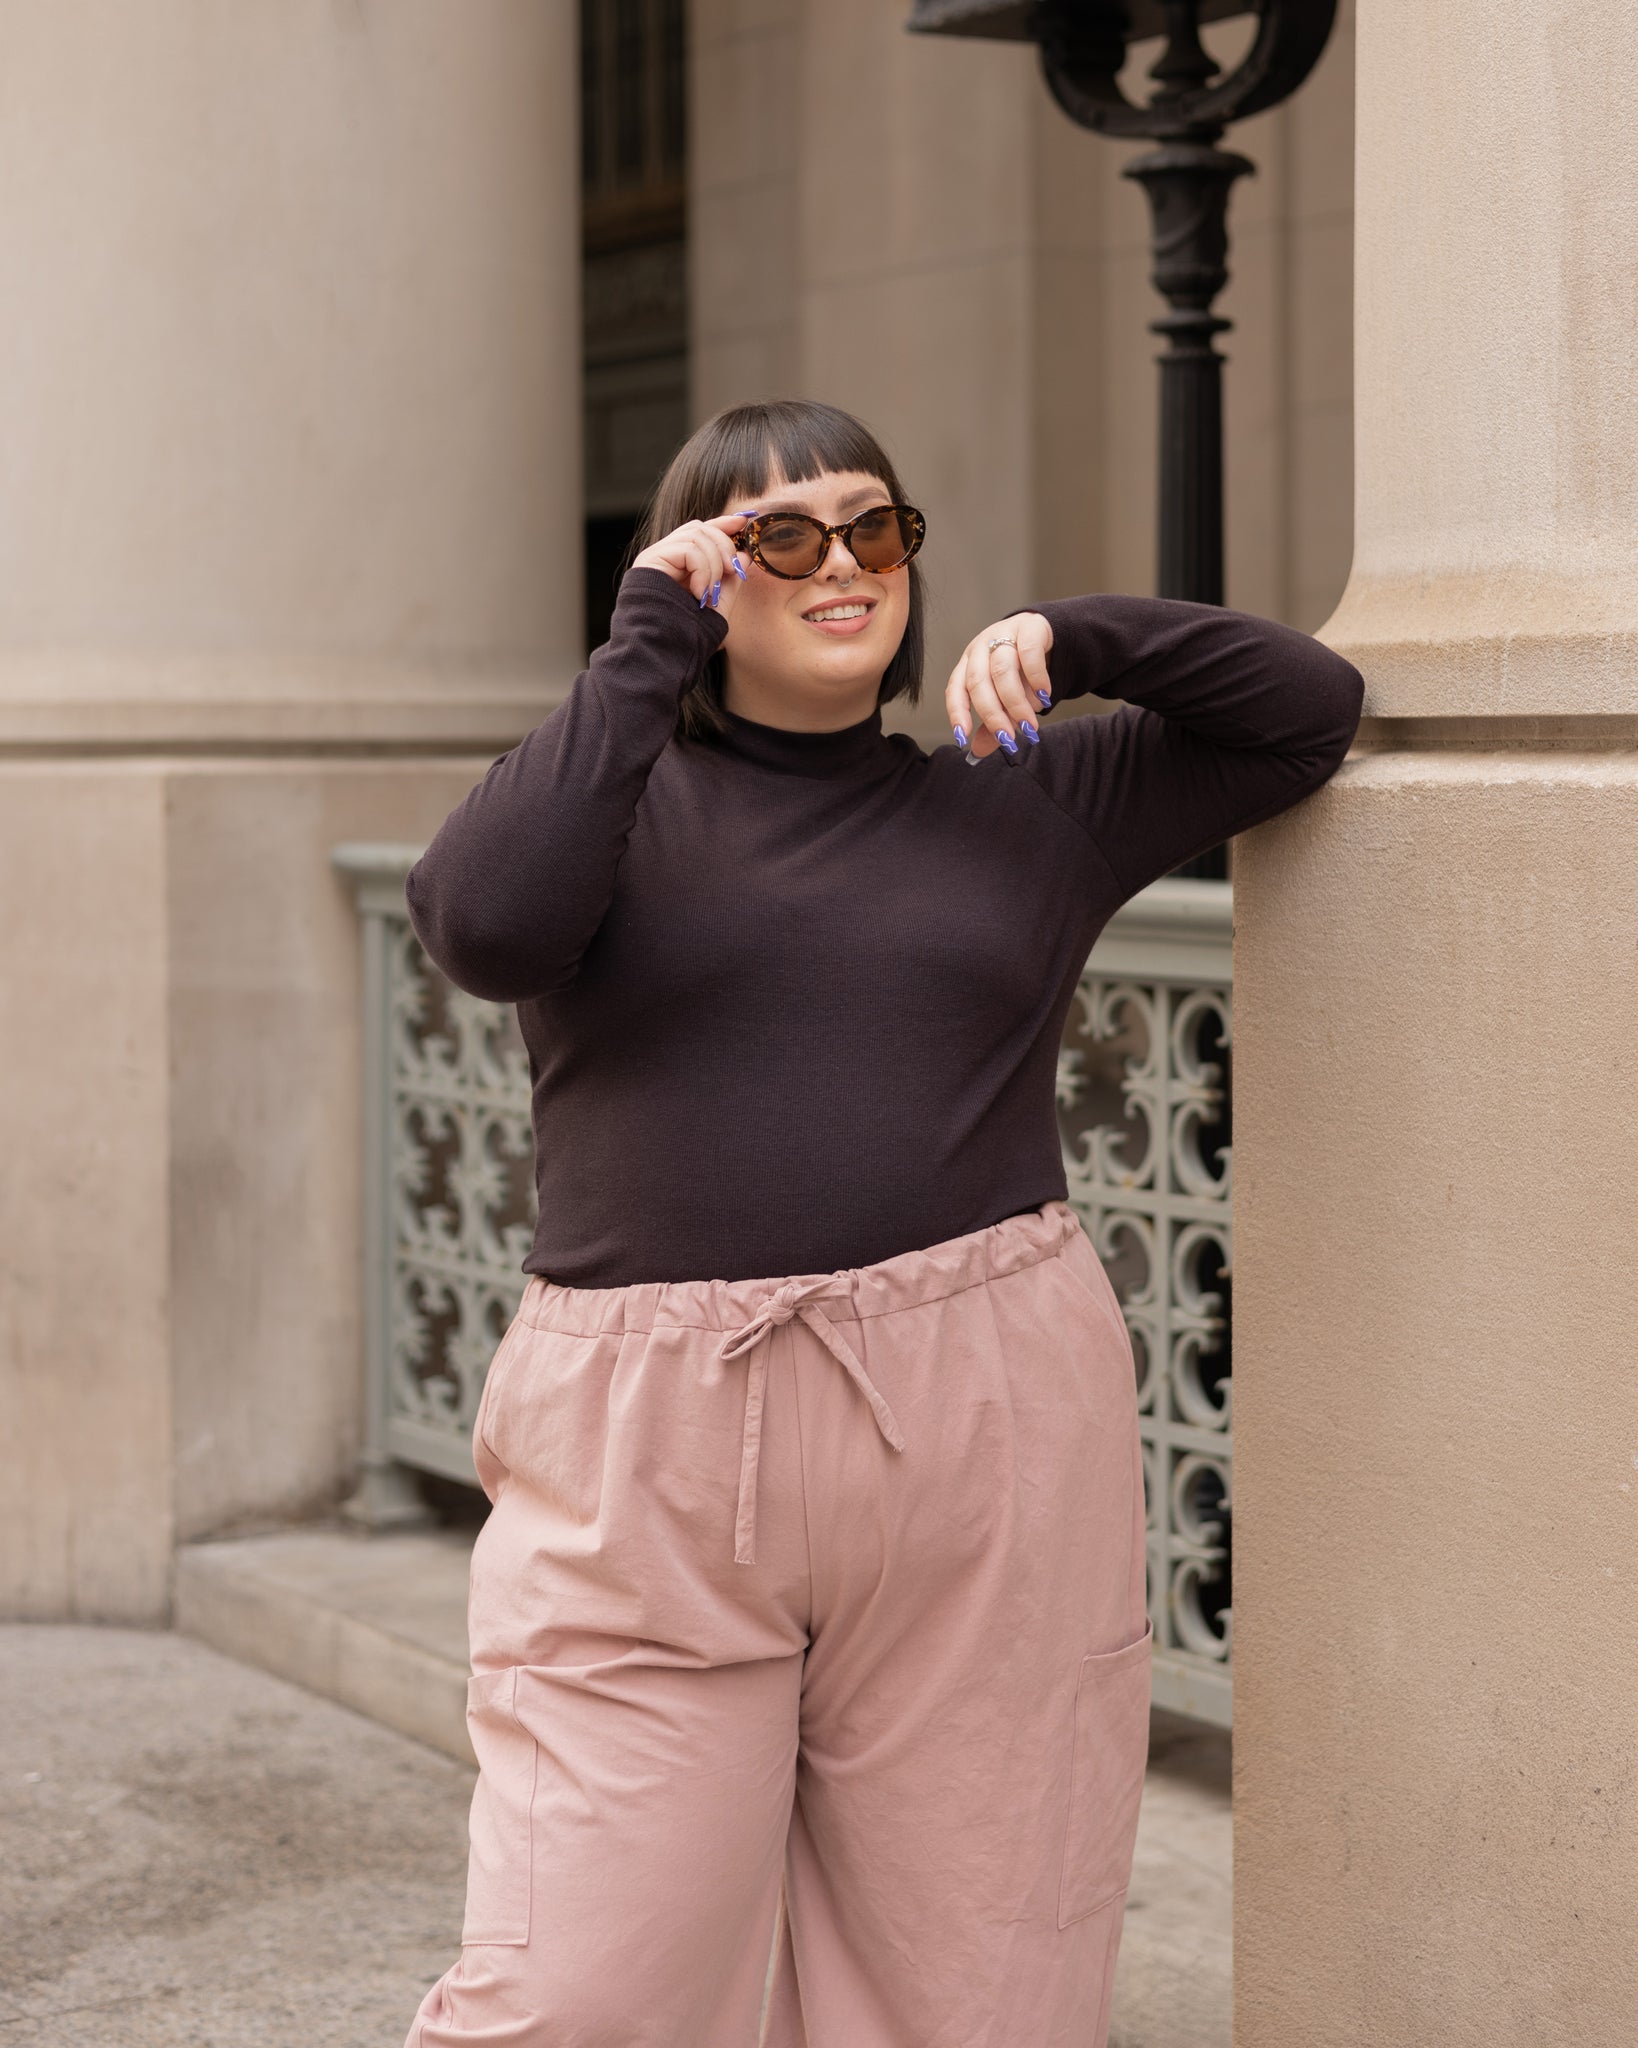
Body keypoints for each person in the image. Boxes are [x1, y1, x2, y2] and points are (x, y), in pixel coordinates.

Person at [400, 398, 1364, 2048]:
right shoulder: (607, 805)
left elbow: (1304, 715)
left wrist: (1081, 635)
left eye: (873, 527)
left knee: (976, 1970)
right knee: (570, 1986)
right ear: (704, 576)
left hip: (981, 1413)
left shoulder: (1020, 798)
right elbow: (482, 926)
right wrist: (642, 644)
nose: (838, 562)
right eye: (778, 536)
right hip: (648, 1450)